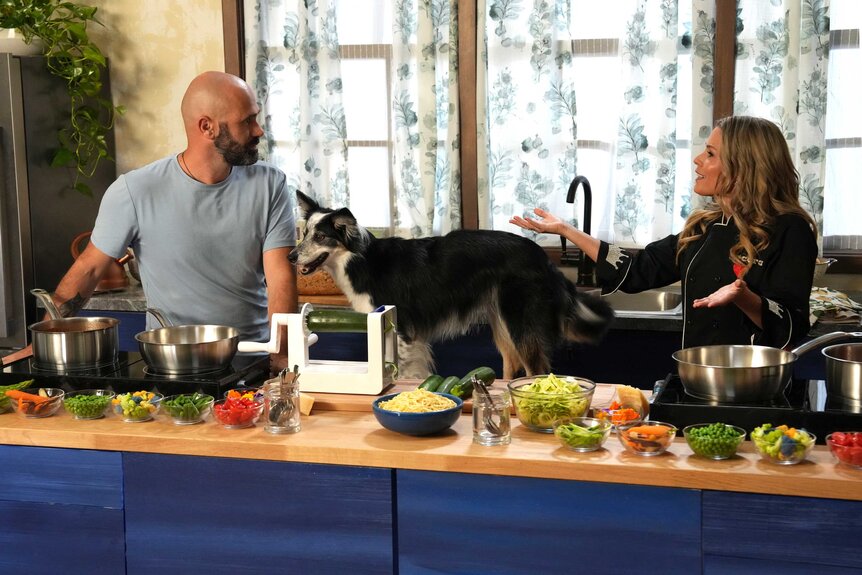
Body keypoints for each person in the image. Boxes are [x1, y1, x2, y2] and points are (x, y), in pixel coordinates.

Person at [510, 115, 817, 350]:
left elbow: (793, 324)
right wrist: (568, 230)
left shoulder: (791, 229)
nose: (697, 160)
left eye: (710, 154)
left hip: (756, 391)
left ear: (744, 166)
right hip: (697, 379)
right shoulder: (704, 227)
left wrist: (744, 296)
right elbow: (636, 270)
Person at [47, 71, 298, 346]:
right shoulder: (134, 190)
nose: (259, 130)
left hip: (253, 357)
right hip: (171, 363)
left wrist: (280, 354)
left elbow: (280, 277)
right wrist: (43, 340)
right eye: (247, 121)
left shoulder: (270, 183)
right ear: (207, 127)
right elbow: (90, 270)